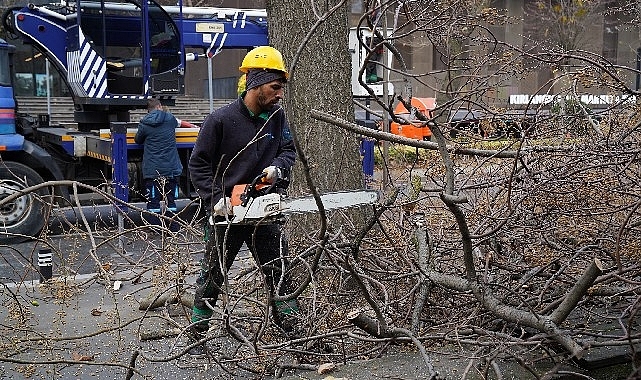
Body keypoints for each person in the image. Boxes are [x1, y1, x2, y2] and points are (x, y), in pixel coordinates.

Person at [188, 46, 299, 352]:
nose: (279, 95)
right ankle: (197, 333)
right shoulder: (220, 120)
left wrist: (278, 168)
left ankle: (292, 326)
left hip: (262, 207)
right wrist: (215, 200)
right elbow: (198, 164)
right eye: (275, 88)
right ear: (256, 83)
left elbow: (289, 150)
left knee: (278, 267)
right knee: (213, 273)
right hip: (227, 212)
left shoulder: (276, 118)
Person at [134, 98, 183, 231]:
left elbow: (138, 140)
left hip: (153, 169)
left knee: (153, 200)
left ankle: (155, 228)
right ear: (160, 106)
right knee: (170, 200)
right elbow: (178, 124)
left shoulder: (144, 123)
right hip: (171, 168)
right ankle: (172, 227)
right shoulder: (170, 118)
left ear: (148, 110)